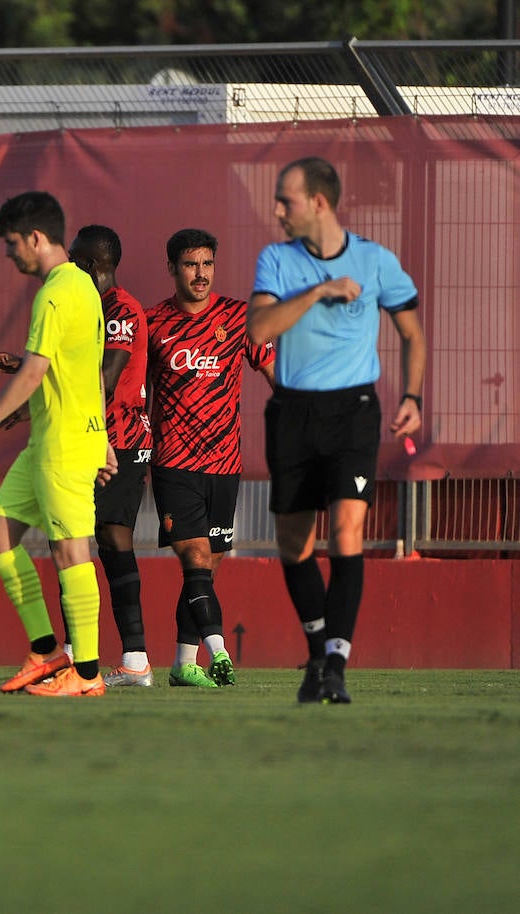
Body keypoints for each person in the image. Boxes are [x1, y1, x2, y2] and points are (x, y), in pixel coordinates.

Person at [249, 157, 426, 704]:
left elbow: (413, 335)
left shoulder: (376, 261)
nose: (277, 211)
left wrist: (413, 397)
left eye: (287, 200)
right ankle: (317, 651)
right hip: (293, 413)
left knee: (347, 533)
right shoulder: (275, 259)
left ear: (319, 203)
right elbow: (260, 327)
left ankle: (336, 665)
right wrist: (320, 291)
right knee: (293, 543)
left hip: (353, 413)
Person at [0, 223, 155, 688]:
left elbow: (102, 379)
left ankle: (123, 659)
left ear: (92, 264)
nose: (68, 262)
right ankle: (61, 654)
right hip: (77, 436)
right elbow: (65, 375)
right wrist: (25, 379)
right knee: (38, 542)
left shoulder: (118, 309)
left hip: (110, 437)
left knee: (103, 544)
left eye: (75, 257)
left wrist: (97, 439)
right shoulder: (81, 297)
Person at [0, 192, 113, 698]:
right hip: (50, 442)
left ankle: (86, 674)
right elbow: (85, 372)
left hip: (62, 447)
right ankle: (46, 651)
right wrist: (103, 437)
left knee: (71, 553)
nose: (8, 253)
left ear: (36, 239)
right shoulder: (79, 285)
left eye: (11, 243)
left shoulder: (57, 293)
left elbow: (36, 370)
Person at [147, 228, 274, 689]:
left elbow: (274, 369)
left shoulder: (238, 317)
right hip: (174, 463)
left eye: (206, 264)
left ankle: (183, 663)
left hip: (225, 466)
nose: (200, 274)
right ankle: (220, 653)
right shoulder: (153, 323)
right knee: (196, 558)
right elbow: (124, 387)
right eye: (190, 265)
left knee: (207, 568)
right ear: (172, 268)